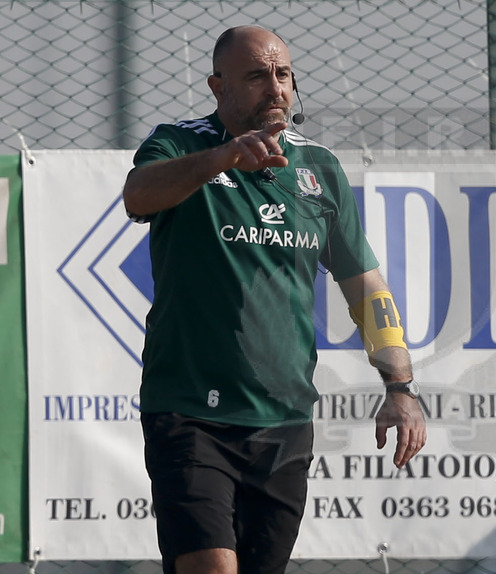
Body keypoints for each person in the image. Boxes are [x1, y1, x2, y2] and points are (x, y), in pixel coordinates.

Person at [122, 25, 426, 574]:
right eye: (257, 76)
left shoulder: (320, 169)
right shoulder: (181, 142)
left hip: (283, 419)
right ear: (219, 87)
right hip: (191, 412)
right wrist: (222, 158)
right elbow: (138, 195)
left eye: (283, 75)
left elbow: (367, 288)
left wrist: (400, 387)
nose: (275, 89)